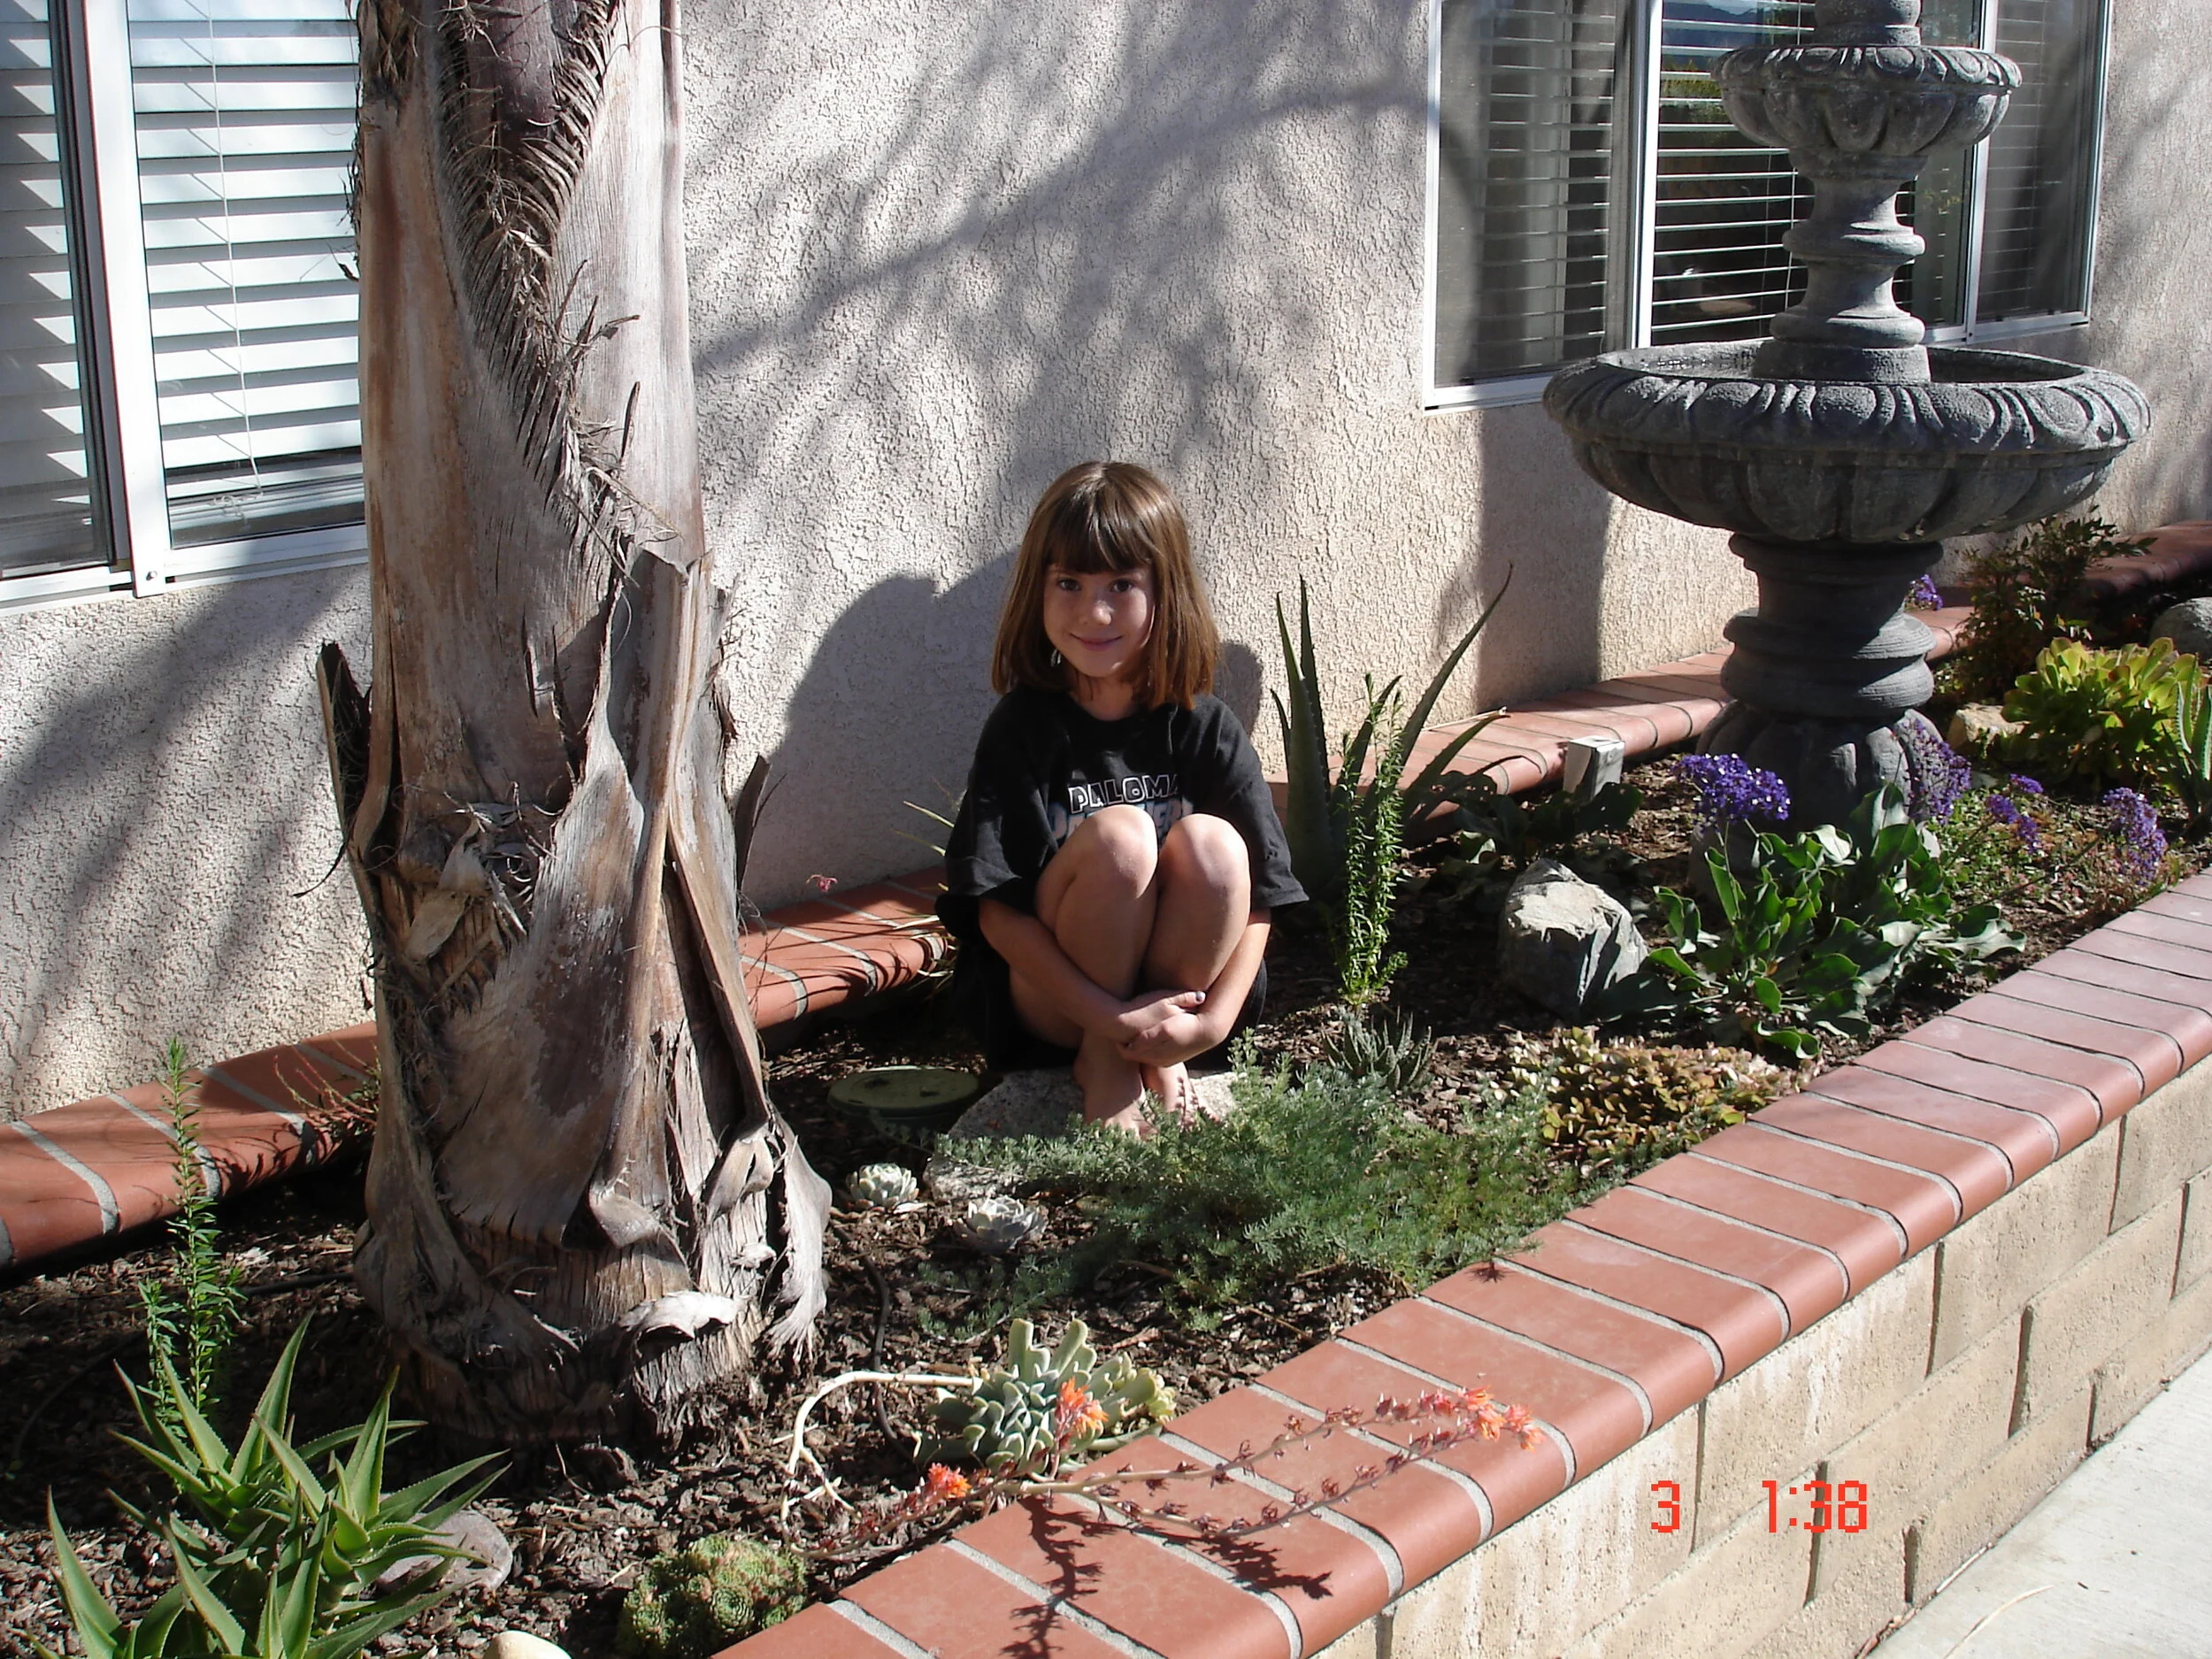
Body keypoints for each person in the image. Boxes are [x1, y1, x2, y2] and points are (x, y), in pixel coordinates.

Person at [939, 461, 1306, 1134]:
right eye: (1069, 582)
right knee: (1120, 837)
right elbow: (997, 915)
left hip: (1184, 1000)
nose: (1094, 611)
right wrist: (1109, 1023)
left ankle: (1157, 1054)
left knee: (1217, 845)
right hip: (1056, 1008)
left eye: (1122, 584)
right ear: (1037, 590)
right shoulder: (1023, 728)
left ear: (1166, 593)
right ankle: (1109, 1059)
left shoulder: (1203, 725)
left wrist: (1213, 1021)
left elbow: (1262, 900)